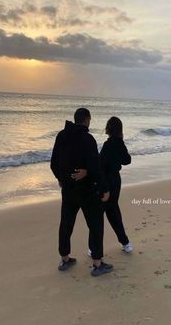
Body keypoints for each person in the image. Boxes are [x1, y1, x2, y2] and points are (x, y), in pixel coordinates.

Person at [50, 108, 113, 277]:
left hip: (68, 190)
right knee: (95, 226)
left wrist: (62, 179)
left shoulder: (61, 136)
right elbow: (96, 167)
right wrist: (105, 188)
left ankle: (65, 259)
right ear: (86, 120)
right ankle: (97, 264)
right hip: (87, 191)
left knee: (66, 224)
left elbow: (54, 163)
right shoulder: (87, 139)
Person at [98, 116, 132, 253]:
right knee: (114, 211)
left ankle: (93, 248)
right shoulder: (119, 143)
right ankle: (125, 243)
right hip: (116, 180)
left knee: (99, 215)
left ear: (108, 129)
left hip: (105, 180)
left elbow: (100, 165)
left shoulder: (107, 145)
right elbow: (127, 160)